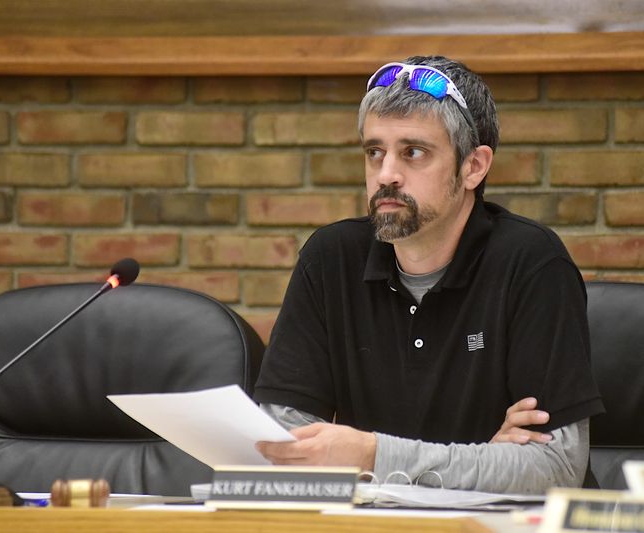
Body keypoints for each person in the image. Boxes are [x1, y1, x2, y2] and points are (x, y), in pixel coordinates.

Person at [253, 56, 604, 494]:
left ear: (473, 166)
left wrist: (371, 456)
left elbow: (555, 468)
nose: (386, 175)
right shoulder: (329, 259)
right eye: (375, 152)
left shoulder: (531, 262)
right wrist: (486, 461)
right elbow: (280, 447)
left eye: (413, 153)